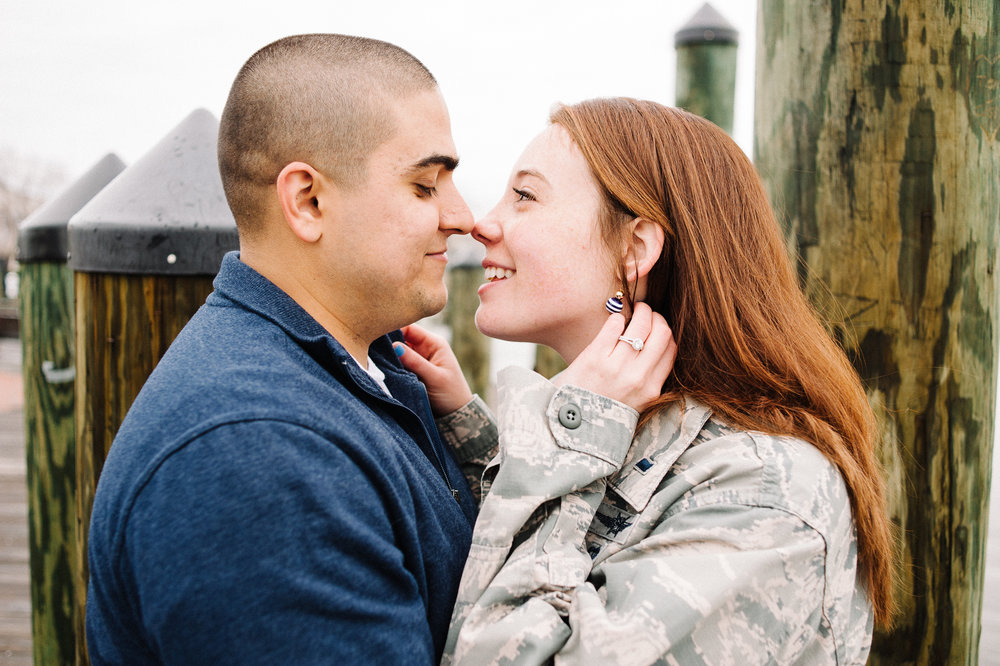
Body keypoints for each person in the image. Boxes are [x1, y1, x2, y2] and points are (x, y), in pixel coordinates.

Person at [397, 98, 895, 664]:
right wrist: (474, 438)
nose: (481, 224)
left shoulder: (764, 495)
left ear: (635, 249)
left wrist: (570, 434)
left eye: (525, 196)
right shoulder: (642, 430)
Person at [85, 34, 497, 665]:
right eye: (425, 185)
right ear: (307, 201)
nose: (463, 217)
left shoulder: (366, 366)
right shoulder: (258, 459)